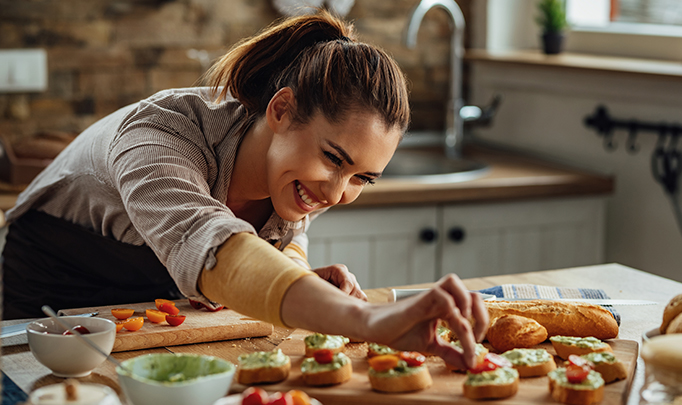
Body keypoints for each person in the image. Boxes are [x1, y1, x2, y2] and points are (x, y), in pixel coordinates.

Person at [1, 10, 488, 369]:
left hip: (153, 310)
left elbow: (283, 237)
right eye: (335, 159)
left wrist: (301, 273)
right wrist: (369, 321)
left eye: (362, 177)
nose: (338, 192)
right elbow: (215, 247)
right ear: (281, 110)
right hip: (42, 302)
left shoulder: (297, 172)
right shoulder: (161, 133)